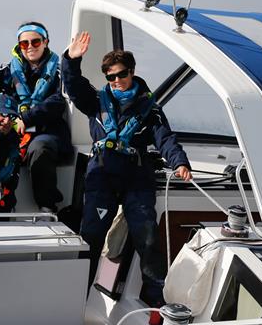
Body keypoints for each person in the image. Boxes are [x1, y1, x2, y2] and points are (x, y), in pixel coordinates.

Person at [61, 31, 193, 307]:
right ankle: (75, 304)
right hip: (102, 177)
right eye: (111, 77)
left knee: (147, 240)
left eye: (121, 74)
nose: (117, 81)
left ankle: (157, 305)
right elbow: (73, 86)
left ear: (131, 72)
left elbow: (165, 138)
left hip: (137, 178)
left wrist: (179, 162)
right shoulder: (96, 102)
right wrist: (71, 60)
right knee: (91, 239)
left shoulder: (150, 108)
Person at [0, 22, 70, 213]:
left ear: (45, 42)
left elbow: (57, 103)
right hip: (11, 133)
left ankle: (46, 207)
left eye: (35, 42)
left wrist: (26, 118)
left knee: (39, 148)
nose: (30, 47)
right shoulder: (10, 70)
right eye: (24, 44)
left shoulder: (59, 73)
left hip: (45, 132)